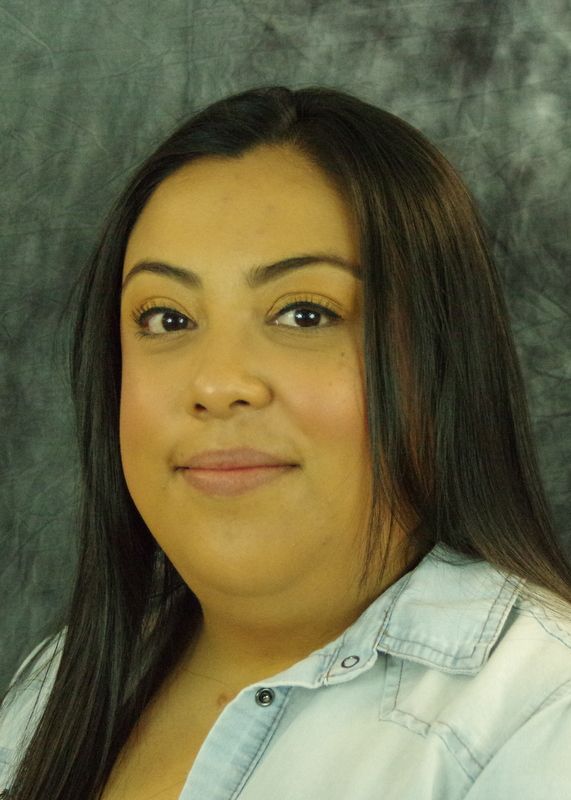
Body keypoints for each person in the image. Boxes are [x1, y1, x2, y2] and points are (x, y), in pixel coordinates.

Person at [1, 84, 570, 800]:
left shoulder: (543, 716)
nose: (216, 383)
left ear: (439, 360)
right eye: (167, 320)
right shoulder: (55, 687)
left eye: (303, 313)